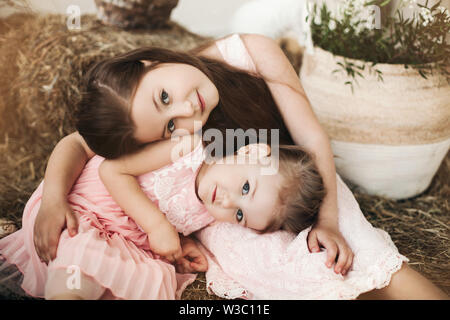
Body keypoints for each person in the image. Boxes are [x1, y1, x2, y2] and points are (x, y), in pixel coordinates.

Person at [33, 33, 353, 277]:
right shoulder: (169, 135)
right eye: (172, 125)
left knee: (344, 243)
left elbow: (311, 137)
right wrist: (53, 200)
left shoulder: (248, 53)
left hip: (284, 174)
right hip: (101, 212)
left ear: (149, 63)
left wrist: (328, 220)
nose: (187, 109)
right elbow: (78, 145)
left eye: (164, 96)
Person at [0, 137, 326, 299]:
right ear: (253, 151)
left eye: (239, 215)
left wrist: (182, 243)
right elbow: (113, 169)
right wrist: (158, 226)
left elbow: (173, 219)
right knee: (81, 256)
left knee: (143, 279)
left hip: (114, 238)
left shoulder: (210, 214)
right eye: (245, 186)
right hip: (79, 210)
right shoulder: (189, 147)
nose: (227, 202)